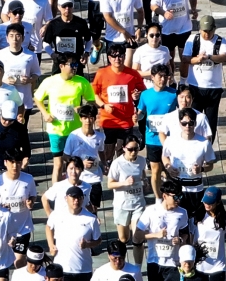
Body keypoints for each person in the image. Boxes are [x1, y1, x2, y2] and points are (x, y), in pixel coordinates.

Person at [34, 54, 95, 183]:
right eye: (72, 65)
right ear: (61, 66)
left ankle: (76, 189)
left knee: (76, 163)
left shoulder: (81, 81)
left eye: (76, 65)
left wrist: (81, 109)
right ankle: (56, 193)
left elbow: (91, 102)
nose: (75, 68)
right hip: (56, 129)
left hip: (75, 131)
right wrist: (45, 114)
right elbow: (37, 98)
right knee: (58, 164)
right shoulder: (50, 81)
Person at [45, 186, 100, 281]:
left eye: (79, 198)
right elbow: (48, 227)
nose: (76, 200)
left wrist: (87, 245)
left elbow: (98, 240)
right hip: (63, 268)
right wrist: (51, 244)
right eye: (73, 197)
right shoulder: (57, 215)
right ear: (66, 199)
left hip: (83, 268)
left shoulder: (91, 218)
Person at [134, 180, 189, 281]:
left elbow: (185, 233)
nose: (178, 200)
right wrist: (155, 235)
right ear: (165, 196)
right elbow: (137, 235)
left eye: (180, 196)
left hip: (173, 262)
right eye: (175, 197)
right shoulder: (151, 211)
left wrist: (180, 239)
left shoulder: (182, 213)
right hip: (155, 261)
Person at [92, 43, 145, 164]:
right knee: (108, 151)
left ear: (124, 56)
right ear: (109, 58)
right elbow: (95, 95)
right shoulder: (101, 73)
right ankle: (108, 170)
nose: (117, 59)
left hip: (126, 119)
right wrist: (104, 105)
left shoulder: (133, 74)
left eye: (120, 56)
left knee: (123, 150)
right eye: (114, 56)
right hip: (108, 119)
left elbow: (142, 92)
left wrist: (136, 96)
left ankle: (122, 173)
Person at [181, 16, 226, 142]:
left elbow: (225, 56)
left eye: (209, 31)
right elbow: (185, 59)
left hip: (214, 88)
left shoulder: (221, 41)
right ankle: (193, 145)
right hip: (195, 87)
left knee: (211, 120)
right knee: (192, 119)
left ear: (214, 29)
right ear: (199, 29)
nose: (206, 34)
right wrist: (198, 60)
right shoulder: (193, 39)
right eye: (204, 31)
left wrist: (209, 57)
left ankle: (208, 148)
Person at [162, 107, 216, 216]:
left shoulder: (204, 143)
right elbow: (164, 157)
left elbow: (210, 165)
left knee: (195, 221)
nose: (187, 126)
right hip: (176, 189)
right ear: (179, 123)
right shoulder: (171, 140)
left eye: (191, 123)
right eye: (184, 123)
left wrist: (201, 169)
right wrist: (168, 167)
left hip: (195, 189)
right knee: (177, 220)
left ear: (195, 123)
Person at [137, 64, 177, 199]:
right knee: (155, 170)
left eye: (166, 76)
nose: (163, 79)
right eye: (160, 76)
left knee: (170, 169)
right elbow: (141, 113)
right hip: (152, 138)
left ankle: (172, 196)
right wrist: (137, 116)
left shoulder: (173, 94)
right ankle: (158, 198)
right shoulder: (145, 95)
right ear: (152, 77)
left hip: (169, 139)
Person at [196, 186, 226, 281]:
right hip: (200, 263)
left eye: (210, 203)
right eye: (205, 202)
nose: (207, 205)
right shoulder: (198, 216)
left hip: (218, 264)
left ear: (218, 202)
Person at [107, 135, 147, 247]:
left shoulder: (142, 160)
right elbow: (110, 184)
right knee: (124, 238)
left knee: (137, 237)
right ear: (124, 148)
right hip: (122, 205)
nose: (133, 152)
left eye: (136, 149)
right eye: (130, 149)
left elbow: (142, 172)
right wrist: (124, 183)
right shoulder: (117, 163)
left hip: (138, 203)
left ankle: (137, 264)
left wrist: (145, 181)